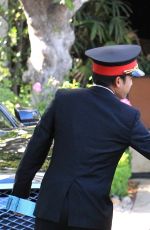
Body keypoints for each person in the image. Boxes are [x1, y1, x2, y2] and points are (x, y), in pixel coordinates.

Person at [12, 44, 150, 230]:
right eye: (131, 78)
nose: (132, 83)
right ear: (118, 81)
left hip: (50, 210)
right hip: (90, 215)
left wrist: (20, 194)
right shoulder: (127, 117)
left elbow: (35, 150)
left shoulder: (63, 99)